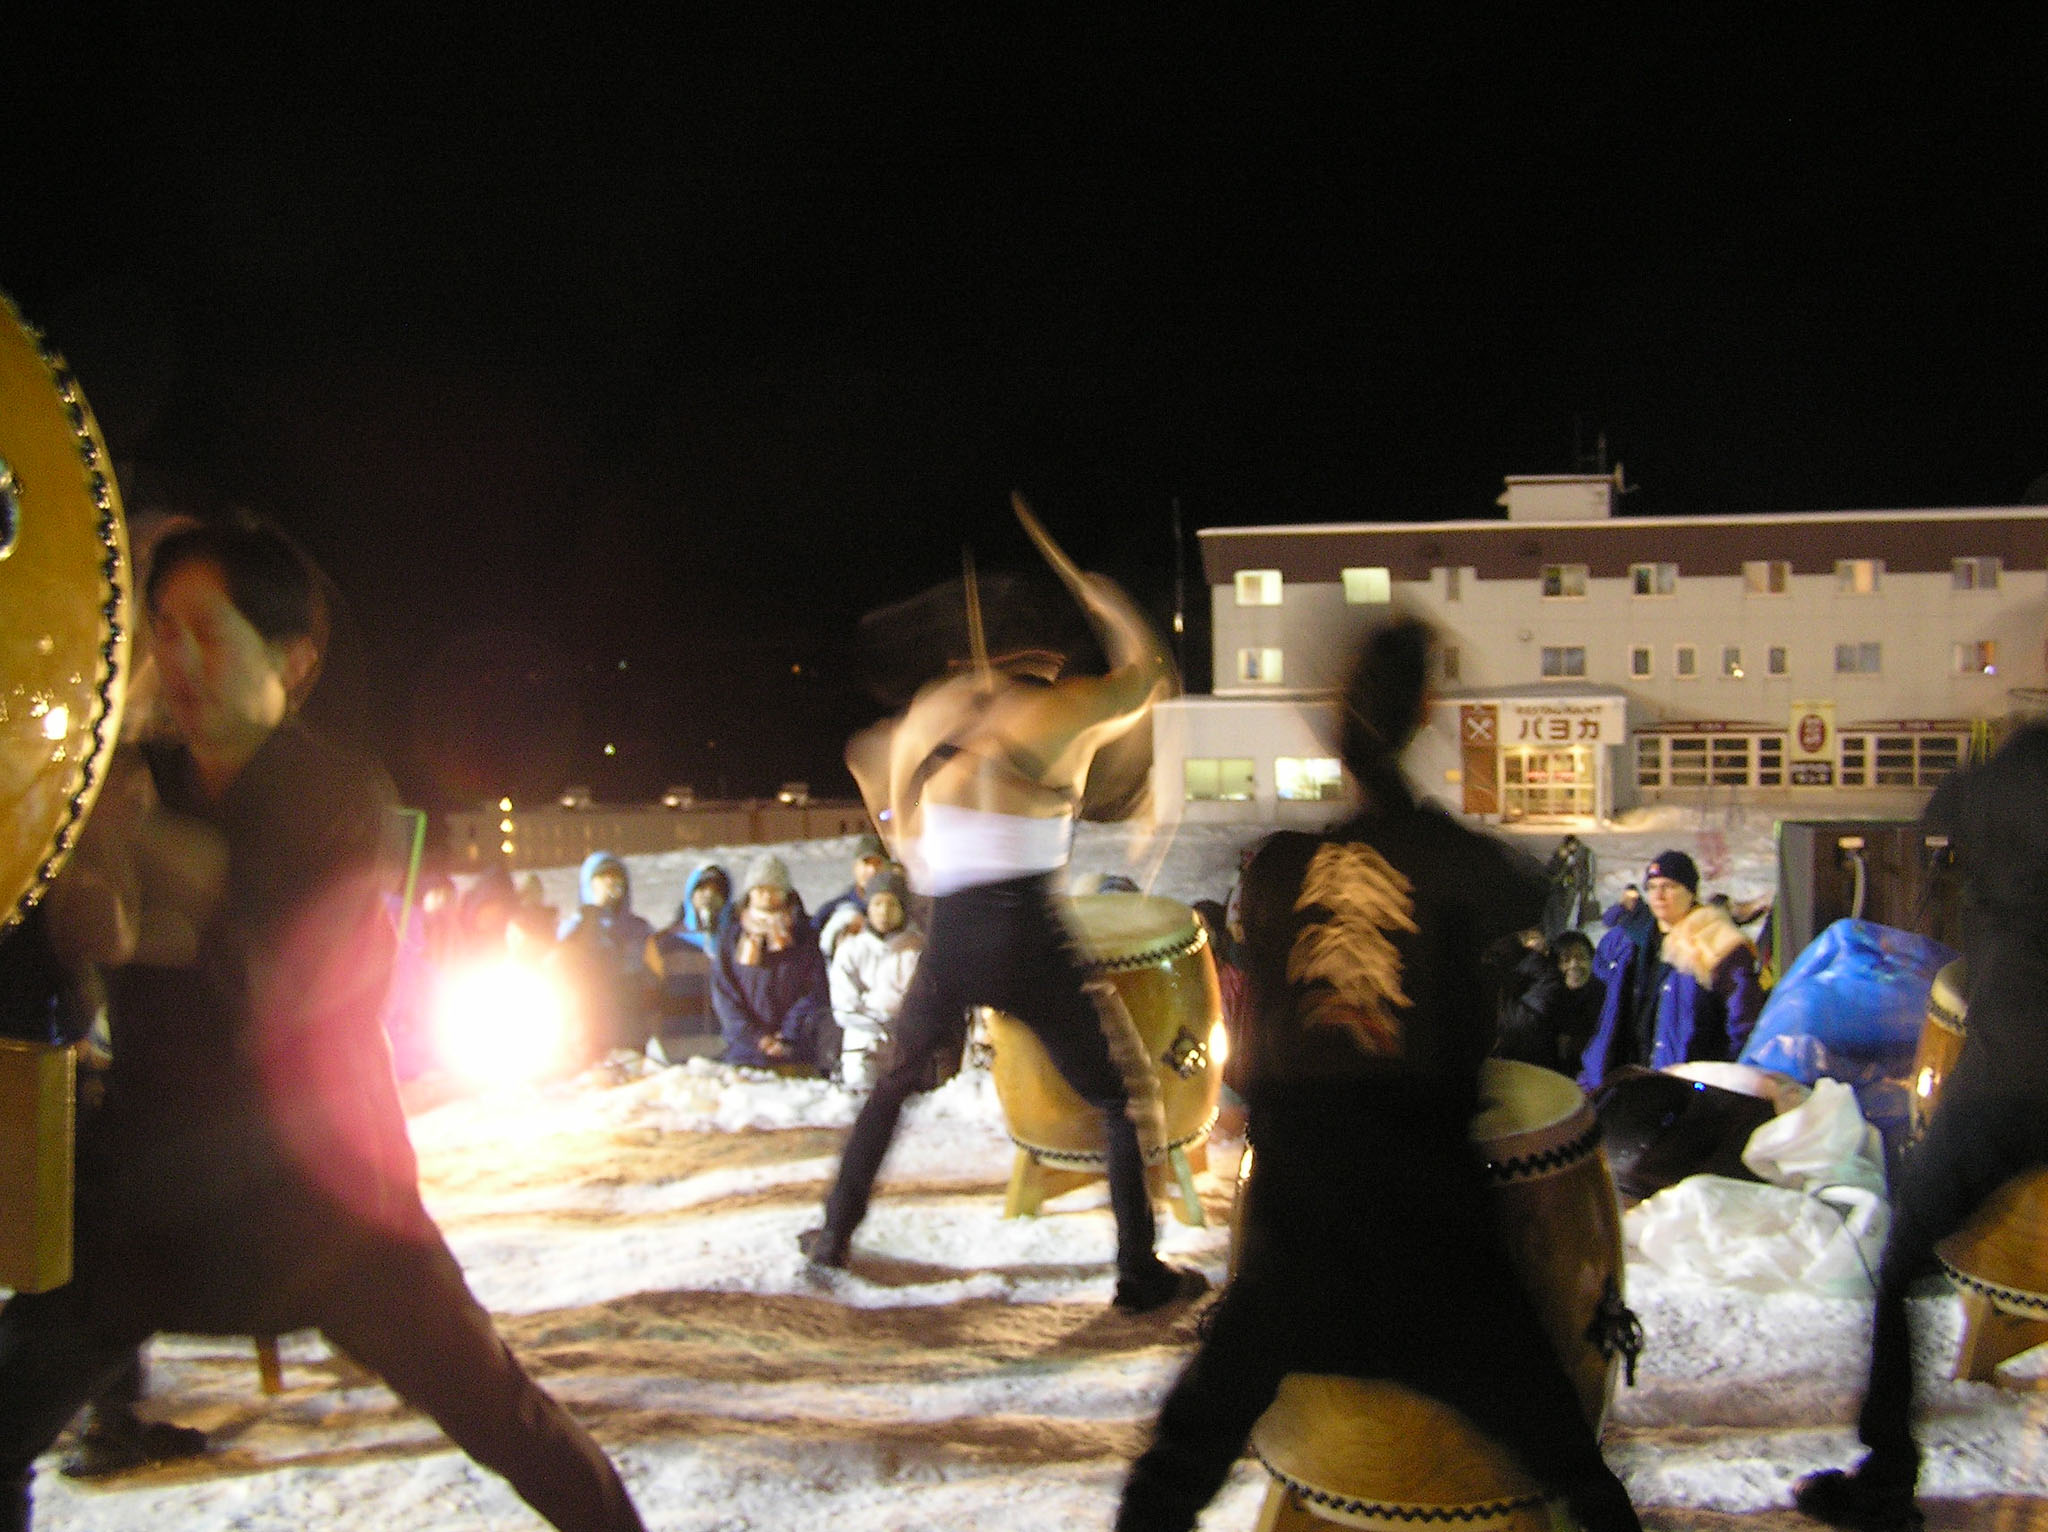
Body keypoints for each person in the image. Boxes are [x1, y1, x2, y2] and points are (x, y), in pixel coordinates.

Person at [0, 517, 645, 1532]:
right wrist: (66, 893)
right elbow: (46, 951)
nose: (177, 658)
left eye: (208, 631)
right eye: (162, 628)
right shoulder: (129, 778)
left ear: (292, 660)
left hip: (323, 1194)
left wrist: (147, 862)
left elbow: (279, 991)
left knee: (503, 1417)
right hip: (148, 1193)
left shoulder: (339, 796)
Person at [1116, 614, 1639, 1532]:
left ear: (1335, 723)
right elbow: (1540, 896)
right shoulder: (1458, 862)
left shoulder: (1276, 865)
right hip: (1431, 1233)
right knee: (1570, 1460)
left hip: (1294, 1237)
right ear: (1424, 711)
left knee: (1177, 1464)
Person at [800, 495, 1206, 1314]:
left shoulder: (934, 722)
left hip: (952, 937)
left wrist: (909, 817)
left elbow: (880, 780)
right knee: (1119, 1097)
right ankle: (1138, 1272)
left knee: (892, 1087)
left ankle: (835, 1232)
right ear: (1044, 661)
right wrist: (1113, 608)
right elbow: (1146, 679)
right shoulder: (1058, 712)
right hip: (1029, 935)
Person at [1794, 723, 2048, 1532]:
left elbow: (1944, 803)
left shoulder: (2017, 773)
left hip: (2009, 1085)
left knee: (1904, 1262)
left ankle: (1886, 1481)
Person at [1575, 850, 1763, 1088]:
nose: (1659, 896)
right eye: (1652, 887)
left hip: (1683, 1089)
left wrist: (1722, 1081)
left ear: (1691, 892)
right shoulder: (1627, 939)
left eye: (1669, 886)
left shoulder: (1718, 945)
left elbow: (1744, 1024)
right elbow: (1599, 998)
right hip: (1621, 1080)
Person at [711, 854, 836, 1072]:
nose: (767, 896)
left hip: (797, 1051)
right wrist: (756, 1038)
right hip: (744, 1052)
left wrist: (787, 1035)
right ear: (749, 893)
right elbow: (724, 993)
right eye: (760, 889)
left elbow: (814, 989)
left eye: (774, 889)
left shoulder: (804, 935)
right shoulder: (731, 937)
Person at [828, 864, 924, 1091]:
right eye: (878, 904)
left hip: (907, 1039)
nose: (884, 912)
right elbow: (844, 1005)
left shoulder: (919, 949)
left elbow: (923, 999)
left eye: (892, 904)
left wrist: (899, 1024)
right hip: (864, 1041)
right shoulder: (851, 949)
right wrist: (876, 1024)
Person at [556, 851, 659, 1056]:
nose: (610, 883)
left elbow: (653, 976)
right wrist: (593, 916)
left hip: (632, 1032)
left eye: (616, 877)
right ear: (589, 884)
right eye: (602, 877)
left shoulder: (640, 929)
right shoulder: (573, 929)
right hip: (588, 1030)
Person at [1497, 928, 1604, 1077]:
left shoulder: (1603, 997)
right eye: (1565, 960)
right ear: (1554, 966)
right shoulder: (1541, 1005)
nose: (1574, 965)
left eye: (1581, 958)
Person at [650, 862, 729, 1048]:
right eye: (702, 889)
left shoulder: (735, 942)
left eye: (717, 891)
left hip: (726, 1050)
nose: (709, 896)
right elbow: (649, 995)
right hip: (675, 1048)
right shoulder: (665, 942)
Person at [811, 833, 888, 946]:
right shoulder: (832, 910)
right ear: (855, 867)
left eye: (878, 863)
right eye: (866, 863)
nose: (872, 870)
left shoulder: (906, 906)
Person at [1542, 832, 1596, 939]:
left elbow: (1591, 868)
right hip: (1570, 884)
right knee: (1567, 905)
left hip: (1583, 882)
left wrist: (1590, 883)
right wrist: (1563, 859)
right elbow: (1555, 866)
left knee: (1583, 904)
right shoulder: (1563, 852)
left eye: (1572, 845)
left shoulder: (1586, 851)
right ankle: (1564, 923)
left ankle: (1581, 923)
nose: (1571, 847)